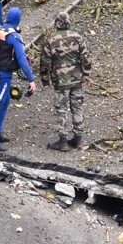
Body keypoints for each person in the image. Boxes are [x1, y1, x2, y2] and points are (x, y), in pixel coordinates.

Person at [41, 11, 93, 152]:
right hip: (77, 79)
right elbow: (86, 58)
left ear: (56, 23)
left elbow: (45, 62)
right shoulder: (78, 37)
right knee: (77, 107)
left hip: (60, 81)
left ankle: (63, 141)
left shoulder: (50, 39)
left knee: (62, 109)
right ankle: (78, 138)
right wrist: (86, 76)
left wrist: (45, 80)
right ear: (69, 22)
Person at [0, 7, 38, 150]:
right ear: (18, 20)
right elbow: (22, 59)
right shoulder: (14, 36)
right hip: (3, 74)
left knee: (5, 101)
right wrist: (31, 79)